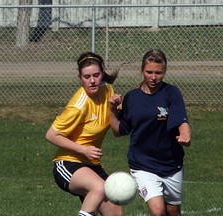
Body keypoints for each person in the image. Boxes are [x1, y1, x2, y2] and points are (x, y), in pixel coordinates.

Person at [109, 49, 191, 216]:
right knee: (158, 211)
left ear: (165, 72)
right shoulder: (132, 98)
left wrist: (185, 134)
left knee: (173, 211)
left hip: (171, 163)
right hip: (142, 164)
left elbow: (181, 120)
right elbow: (119, 130)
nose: (153, 77)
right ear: (142, 71)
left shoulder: (172, 93)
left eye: (158, 73)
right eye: (149, 72)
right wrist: (111, 109)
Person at [46, 51, 124, 216]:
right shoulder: (78, 105)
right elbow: (51, 135)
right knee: (100, 188)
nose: (92, 80)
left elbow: (116, 129)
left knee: (116, 212)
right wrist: (83, 150)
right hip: (68, 163)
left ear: (102, 74)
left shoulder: (108, 91)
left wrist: (116, 110)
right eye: (87, 77)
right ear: (80, 78)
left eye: (96, 75)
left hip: (92, 164)